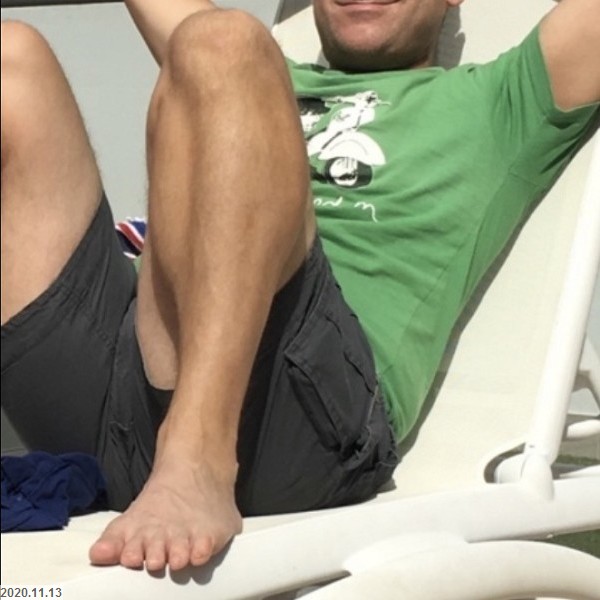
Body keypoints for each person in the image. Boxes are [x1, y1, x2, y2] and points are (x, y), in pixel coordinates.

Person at [1, 0, 598, 574]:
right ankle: (176, 454)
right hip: (121, 396)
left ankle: (198, 457)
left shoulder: (505, 100)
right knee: (11, 61)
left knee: (223, 40)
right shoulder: (255, 76)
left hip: (296, 425)